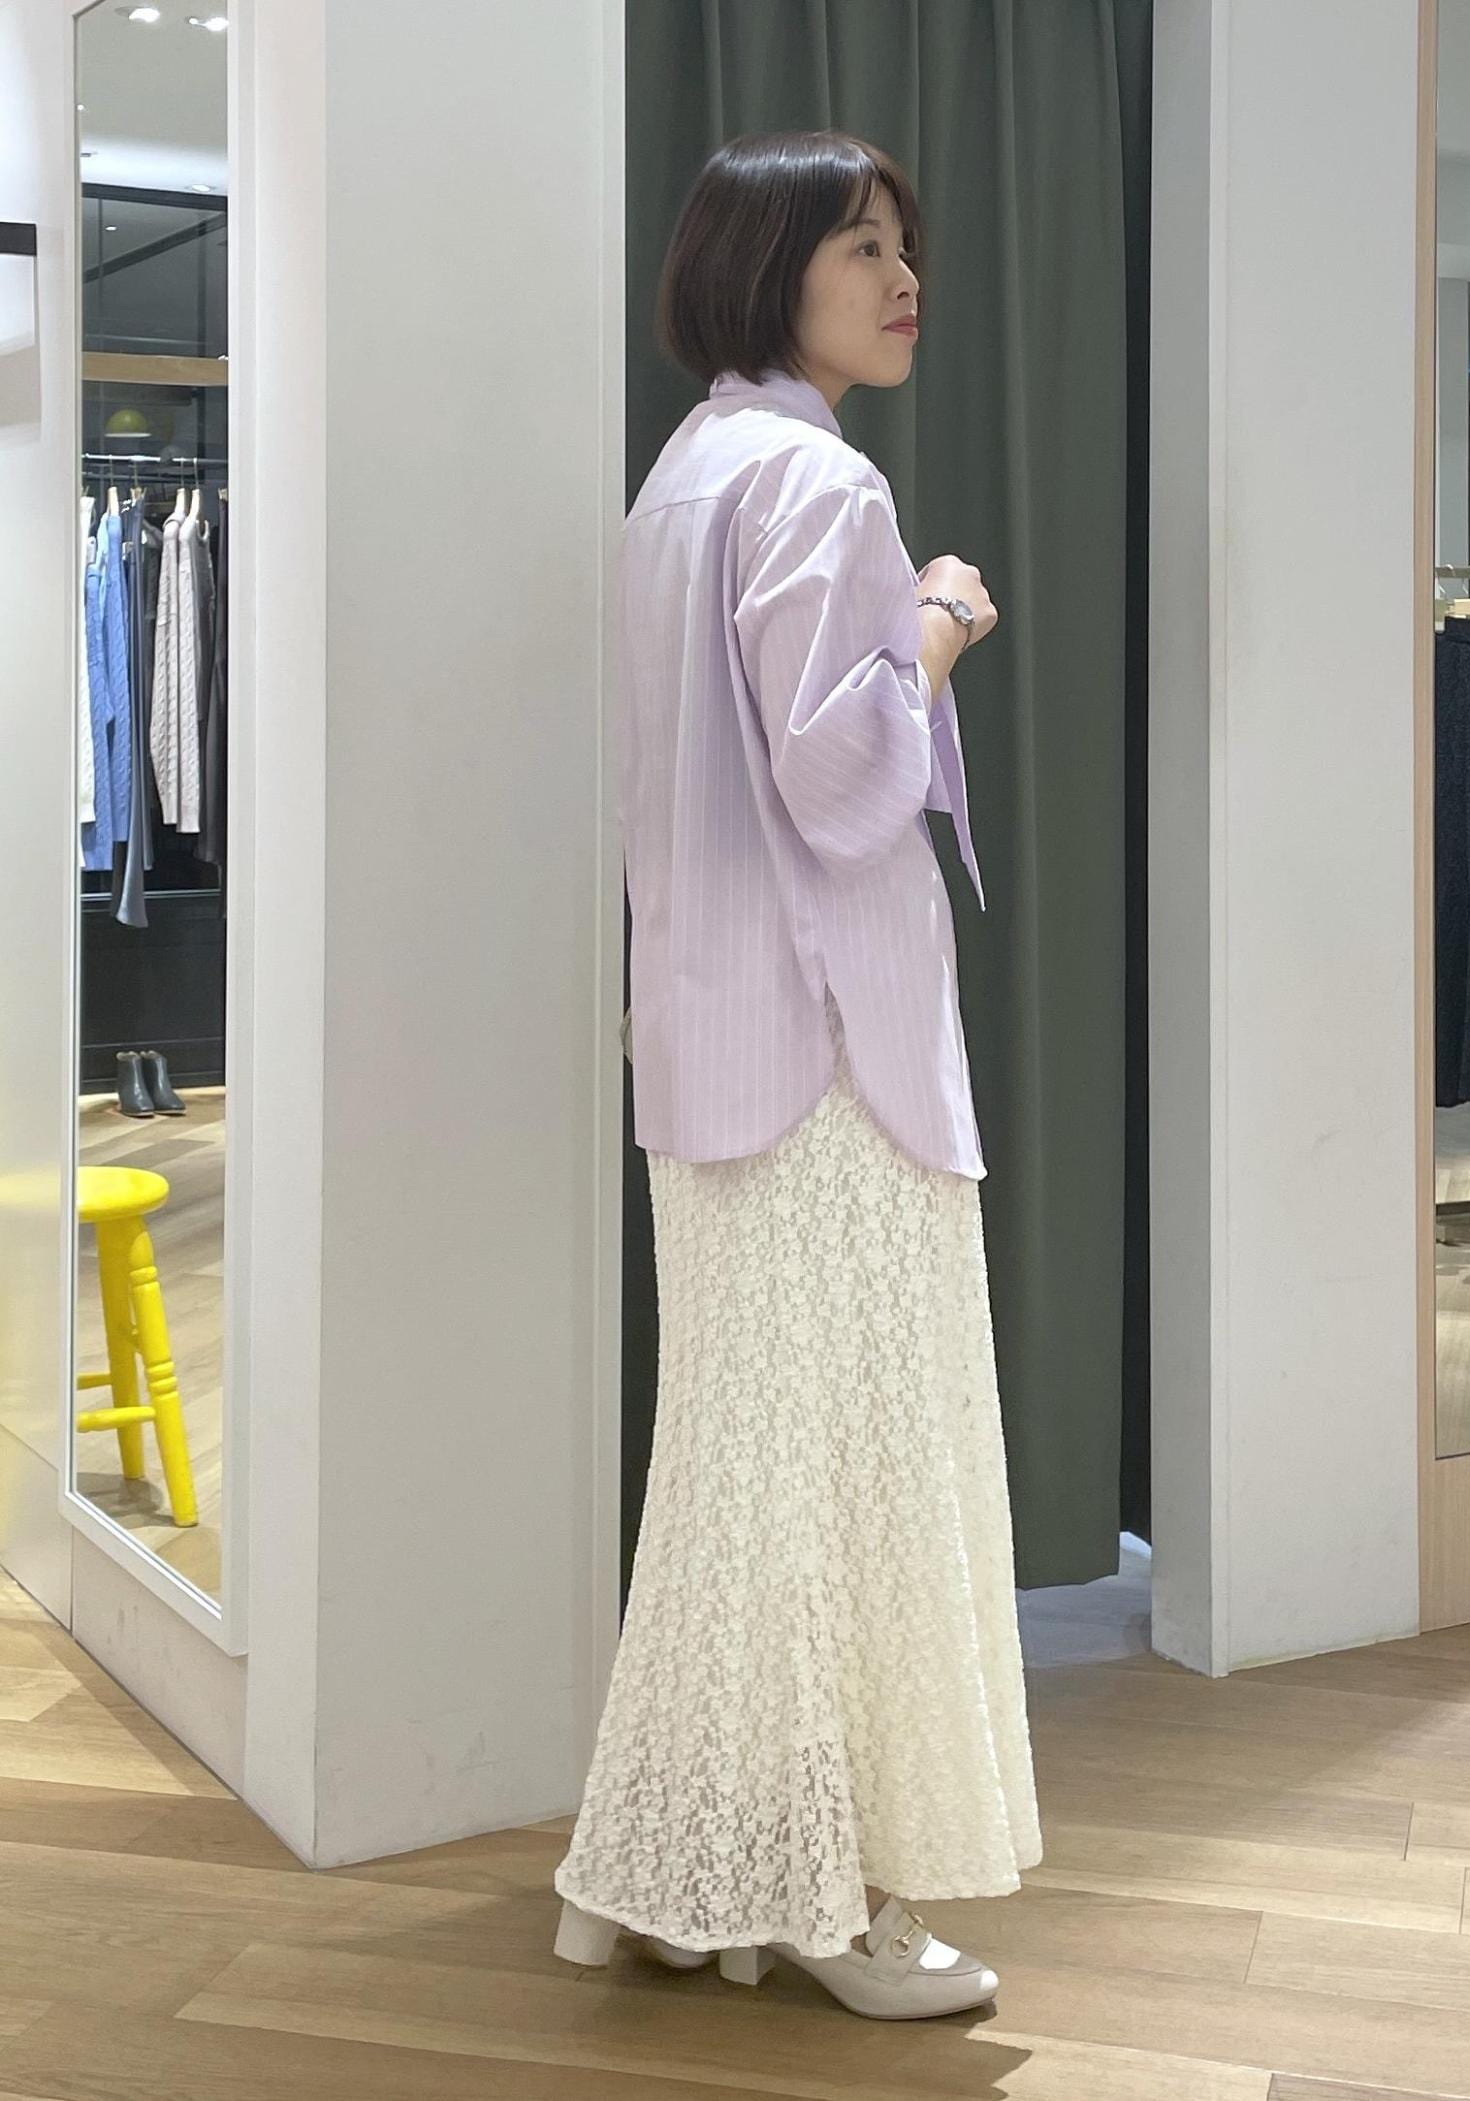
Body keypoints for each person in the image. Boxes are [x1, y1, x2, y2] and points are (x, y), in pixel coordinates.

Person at [552, 128, 1041, 2023]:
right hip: (836, 1069)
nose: (903, 279)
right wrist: (941, 617)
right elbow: (843, 784)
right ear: (767, 269)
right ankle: (834, 1903)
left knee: (738, 1486)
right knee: (843, 1489)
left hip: (712, 1054)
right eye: (860, 245)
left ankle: (682, 1879)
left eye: (905, 244)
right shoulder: (824, 482)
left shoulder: (682, 477)